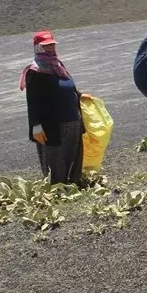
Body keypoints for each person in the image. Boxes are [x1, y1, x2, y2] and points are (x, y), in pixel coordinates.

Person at [19, 30, 86, 185]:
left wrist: (80, 95)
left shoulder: (58, 65)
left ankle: (73, 182)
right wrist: (36, 126)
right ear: (38, 48)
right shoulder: (35, 72)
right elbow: (33, 101)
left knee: (73, 152)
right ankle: (57, 187)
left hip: (72, 119)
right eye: (46, 46)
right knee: (55, 155)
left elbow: (69, 86)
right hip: (52, 124)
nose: (51, 49)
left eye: (52, 45)